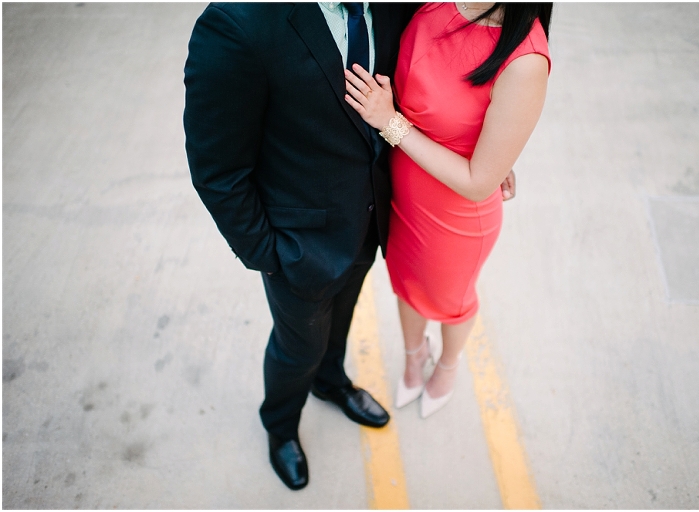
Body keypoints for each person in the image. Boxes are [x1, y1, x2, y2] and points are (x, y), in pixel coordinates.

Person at [183, 2, 416, 491]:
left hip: (369, 221)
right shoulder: (238, 22)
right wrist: (269, 253)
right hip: (296, 245)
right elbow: (218, 169)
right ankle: (281, 425)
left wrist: (491, 152)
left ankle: (330, 381)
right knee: (298, 347)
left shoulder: (396, 5)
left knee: (341, 321)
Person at [344, 2, 552, 418]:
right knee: (405, 283)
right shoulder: (435, 3)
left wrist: (391, 123)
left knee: (450, 299)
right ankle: (413, 354)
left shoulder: (526, 60)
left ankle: (447, 365)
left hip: (454, 214)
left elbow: (478, 183)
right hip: (403, 185)